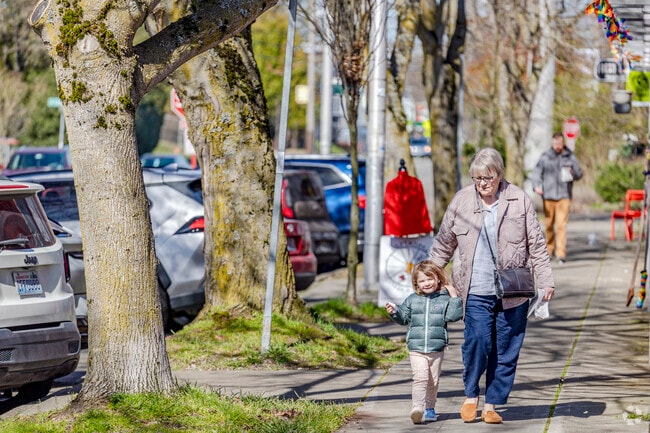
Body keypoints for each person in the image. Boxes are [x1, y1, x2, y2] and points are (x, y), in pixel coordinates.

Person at [428, 148, 555, 424]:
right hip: (475, 289)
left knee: (507, 348)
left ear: (499, 174)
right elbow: (443, 243)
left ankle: (492, 403)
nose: (482, 183)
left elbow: (536, 244)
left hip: (513, 290)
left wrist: (545, 281)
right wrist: (429, 276)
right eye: (477, 178)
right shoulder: (462, 201)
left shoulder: (518, 199)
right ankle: (471, 394)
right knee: (477, 342)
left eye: (488, 177)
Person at [385, 260, 463, 425]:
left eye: (430, 279)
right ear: (416, 284)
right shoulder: (412, 300)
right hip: (417, 348)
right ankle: (417, 408)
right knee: (420, 378)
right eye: (422, 280)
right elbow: (403, 319)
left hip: (436, 348)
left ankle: (430, 408)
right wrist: (394, 313)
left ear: (438, 279)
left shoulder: (444, 299)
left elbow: (453, 316)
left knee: (433, 381)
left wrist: (454, 296)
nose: (426, 283)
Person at [531, 132, 583, 264]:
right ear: (552, 143)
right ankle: (549, 250)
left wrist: (572, 172)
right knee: (548, 224)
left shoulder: (570, 157)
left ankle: (561, 253)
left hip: (564, 195)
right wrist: (537, 186)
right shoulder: (545, 157)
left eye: (559, 143)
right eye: (555, 144)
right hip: (548, 196)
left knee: (561, 225)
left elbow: (579, 174)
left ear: (563, 143)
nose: (557, 146)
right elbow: (536, 173)